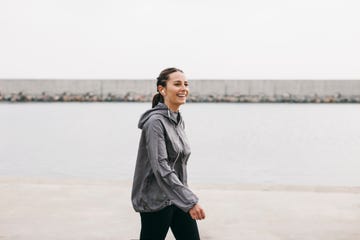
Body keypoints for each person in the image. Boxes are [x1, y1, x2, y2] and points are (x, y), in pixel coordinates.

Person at [131, 67, 206, 240]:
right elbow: (161, 167)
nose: (184, 88)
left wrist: (183, 196)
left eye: (186, 84)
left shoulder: (177, 120)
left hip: (177, 197)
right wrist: (190, 200)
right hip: (155, 201)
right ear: (162, 89)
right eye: (177, 84)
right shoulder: (155, 123)